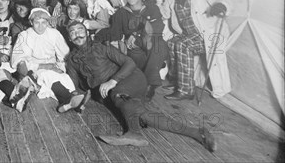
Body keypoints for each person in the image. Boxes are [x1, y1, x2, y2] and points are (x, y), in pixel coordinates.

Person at [65, 21, 217, 151]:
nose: (77, 34)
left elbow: (129, 63)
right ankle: (198, 133)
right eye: (72, 32)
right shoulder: (72, 60)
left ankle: (134, 133)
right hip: (112, 94)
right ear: (70, 38)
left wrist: (113, 81)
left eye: (80, 30)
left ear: (87, 33)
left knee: (119, 96)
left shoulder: (102, 47)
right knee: (141, 114)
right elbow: (74, 85)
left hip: (129, 79)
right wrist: (79, 99)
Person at [160, 0, 231, 100]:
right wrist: (149, 6)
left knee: (181, 44)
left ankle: (186, 91)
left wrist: (220, 5)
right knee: (173, 42)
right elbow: (164, 14)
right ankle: (179, 81)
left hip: (209, 34)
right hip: (191, 35)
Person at [102, 0, 168, 101]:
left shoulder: (152, 9)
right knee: (134, 54)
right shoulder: (120, 13)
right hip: (134, 52)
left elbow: (157, 28)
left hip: (151, 48)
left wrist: (136, 35)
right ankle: (139, 85)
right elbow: (114, 34)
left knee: (159, 44)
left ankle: (149, 84)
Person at [10, 8, 82, 112]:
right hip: (34, 69)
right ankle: (69, 98)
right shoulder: (24, 36)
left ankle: (71, 101)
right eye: (37, 23)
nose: (40, 26)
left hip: (53, 65)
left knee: (64, 77)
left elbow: (64, 54)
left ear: (48, 22)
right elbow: (18, 62)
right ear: (31, 22)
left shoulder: (54, 34)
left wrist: (59, 67)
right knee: (47, 76)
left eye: (44, 22)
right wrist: (44, 66)